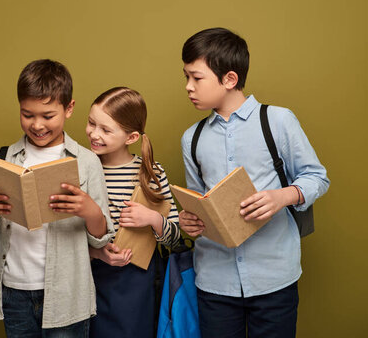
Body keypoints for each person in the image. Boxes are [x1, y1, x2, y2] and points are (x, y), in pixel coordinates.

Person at [178, 27, 330, 338]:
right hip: (214, 282)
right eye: (186, 77)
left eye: (197, 77)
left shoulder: (278, 120)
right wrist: (188, 221)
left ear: (229, 79)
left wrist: (282, 197)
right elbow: (197, 200)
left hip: (274, 278)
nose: (188, 87)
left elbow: (317, 177)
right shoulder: (191, 139)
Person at [0, 59, 114, 337]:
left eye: (48, 116)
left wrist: (90, 210)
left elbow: (101, 237)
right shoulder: (1, 159)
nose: (37, 125)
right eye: (27, 114)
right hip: (13, 291)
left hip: (67, 293)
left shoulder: (86, 162)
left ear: (69, 108)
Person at [85, 86, 181, 337]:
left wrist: (152, 219)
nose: (94, 134)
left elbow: (178, 238)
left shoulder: (151, 173)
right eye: (91, 123)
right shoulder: (81, 170)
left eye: (106, 129)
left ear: (131, 137)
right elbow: (63, 235)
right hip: (90, 277)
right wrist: (96, 252)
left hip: (138, 281)